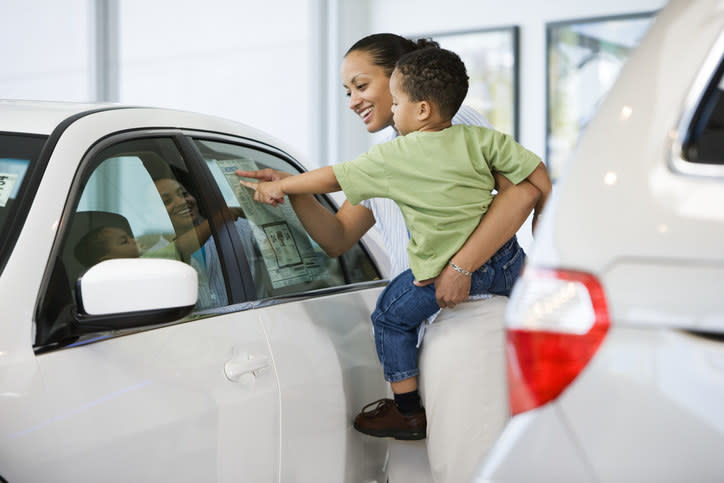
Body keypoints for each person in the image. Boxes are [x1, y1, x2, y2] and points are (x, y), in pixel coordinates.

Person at [241, 47, 551, 440]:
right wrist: (293, 190)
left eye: (361, 85)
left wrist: (460, 267)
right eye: (346, 91)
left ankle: (405, 412)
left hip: (461, 310)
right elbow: (337, 237)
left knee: (389, 316)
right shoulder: (419, 146)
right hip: (493, 280)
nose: (353, 101)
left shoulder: (413, 144)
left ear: (401, 86)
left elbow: (518, 195)